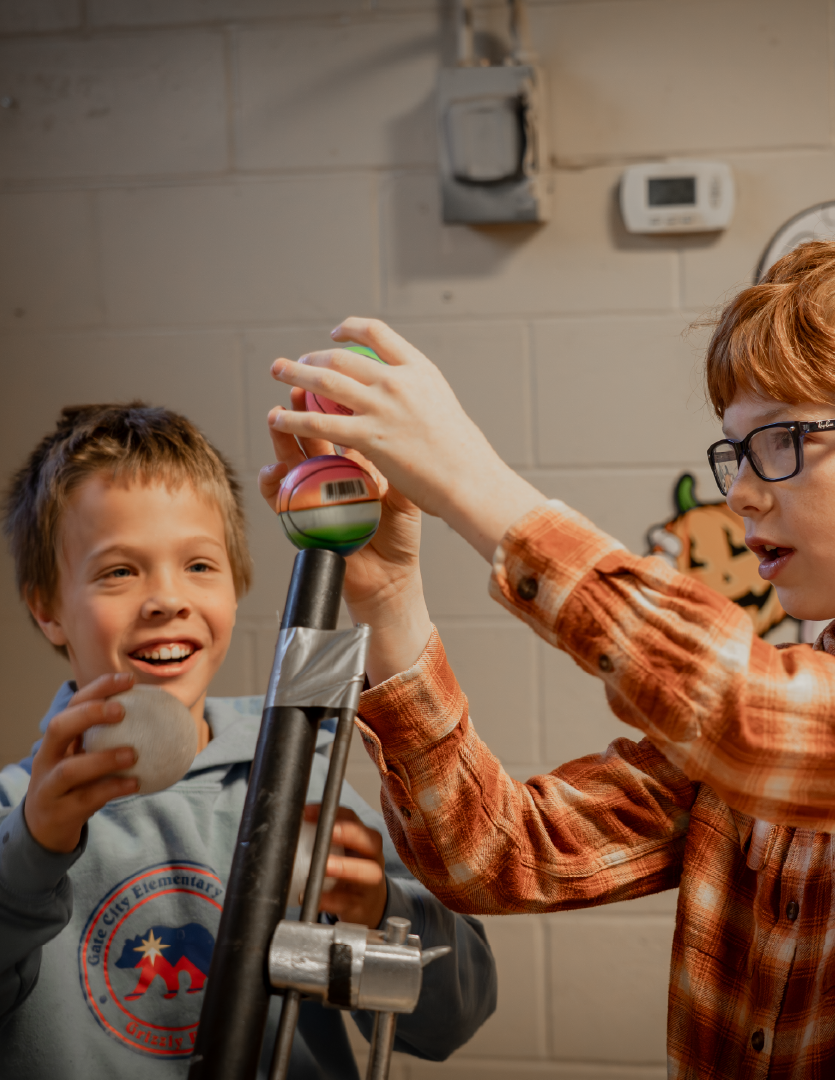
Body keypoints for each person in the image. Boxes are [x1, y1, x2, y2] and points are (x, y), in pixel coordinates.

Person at [265, 232, 835, 1079]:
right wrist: (390, 599)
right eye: (737, 451)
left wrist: (473, 482)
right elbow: (498, 855)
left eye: (784, 441)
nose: (742, 493)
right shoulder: (770, 712)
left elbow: (764, 725)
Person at [0, 403, 496, 1079]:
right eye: (118, 571)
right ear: (46, 608)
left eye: (199, 565)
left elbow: (455, 1018)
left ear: (237, 586)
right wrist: (32, 854)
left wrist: (378, 909)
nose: (167, 599)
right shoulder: (16, 814)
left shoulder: (300, 773)